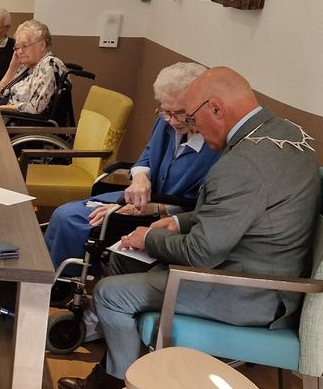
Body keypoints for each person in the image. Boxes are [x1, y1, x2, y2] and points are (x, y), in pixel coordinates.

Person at [57, 67, 320, 389]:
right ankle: (114, 372)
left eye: (192, 120)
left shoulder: (242, 163)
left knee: (110, 294)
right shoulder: (285, 135)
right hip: (260, 273)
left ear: (216, 109)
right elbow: (240, 212)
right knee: (120, 260)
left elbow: (200, 253)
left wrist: (149, 238)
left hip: (246, 291)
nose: (191, 128)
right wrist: (178, 223)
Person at [44, 63, 221, 269]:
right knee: (64, 214)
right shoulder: (165, 122)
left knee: (72, 219)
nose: (172, 121)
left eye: (180, 113)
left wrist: (147, 208)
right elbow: (146, 158)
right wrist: (140, 178)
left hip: (164, 215)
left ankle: (62, 283)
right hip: (140, 199)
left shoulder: (215, 147)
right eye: (165, 111)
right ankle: (50, 278)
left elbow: (198, 207)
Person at [0, 19, 69, 118]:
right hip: (7, 118)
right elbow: (0, 93)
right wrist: (12, 68)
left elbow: (35, 108)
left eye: (24, 46)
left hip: (22, 125)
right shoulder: (28, 66)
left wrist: (1, 108)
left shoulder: (49, 65)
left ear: (42, 45)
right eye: (17, 47)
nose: (20, 52)